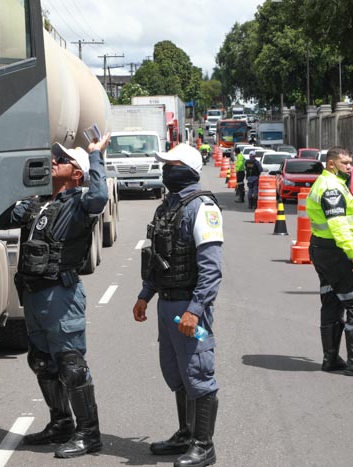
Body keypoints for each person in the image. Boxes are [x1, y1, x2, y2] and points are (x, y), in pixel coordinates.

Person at [0, 134, 110, 458]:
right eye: (55, 156)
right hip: (33, 294)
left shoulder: (81, 203)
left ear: (77, 174)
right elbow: (0, 218)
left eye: (63, 159)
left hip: (60, 294)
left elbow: (100, 195)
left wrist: (95, 156)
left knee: (71, 365)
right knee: (42, 362)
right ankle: (61, 423)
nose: (54, 160)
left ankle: (89, 434)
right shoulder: (37, 202)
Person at [133, 144, 223, 467]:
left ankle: (204, 445)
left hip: (190, 309)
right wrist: (145, 295)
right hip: (167, 307)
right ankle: (186, 434)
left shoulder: (203, 208)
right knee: (176, 371)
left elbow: (211, 270)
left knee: (198, 371)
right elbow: (159, 261)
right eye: (164, 165)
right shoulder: (165, 209)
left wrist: (195, 311)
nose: (165, 170)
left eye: (171, 164)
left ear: (187, 168)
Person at [306, 146, 353, 377]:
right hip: (339, 252)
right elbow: (337, 223)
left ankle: (331, 358)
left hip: (323, 249)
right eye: (344, 163)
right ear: (331, 164)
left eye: (350, 162)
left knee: (332, 302)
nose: (349, 166)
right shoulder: (331, 188)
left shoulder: (328, 183)